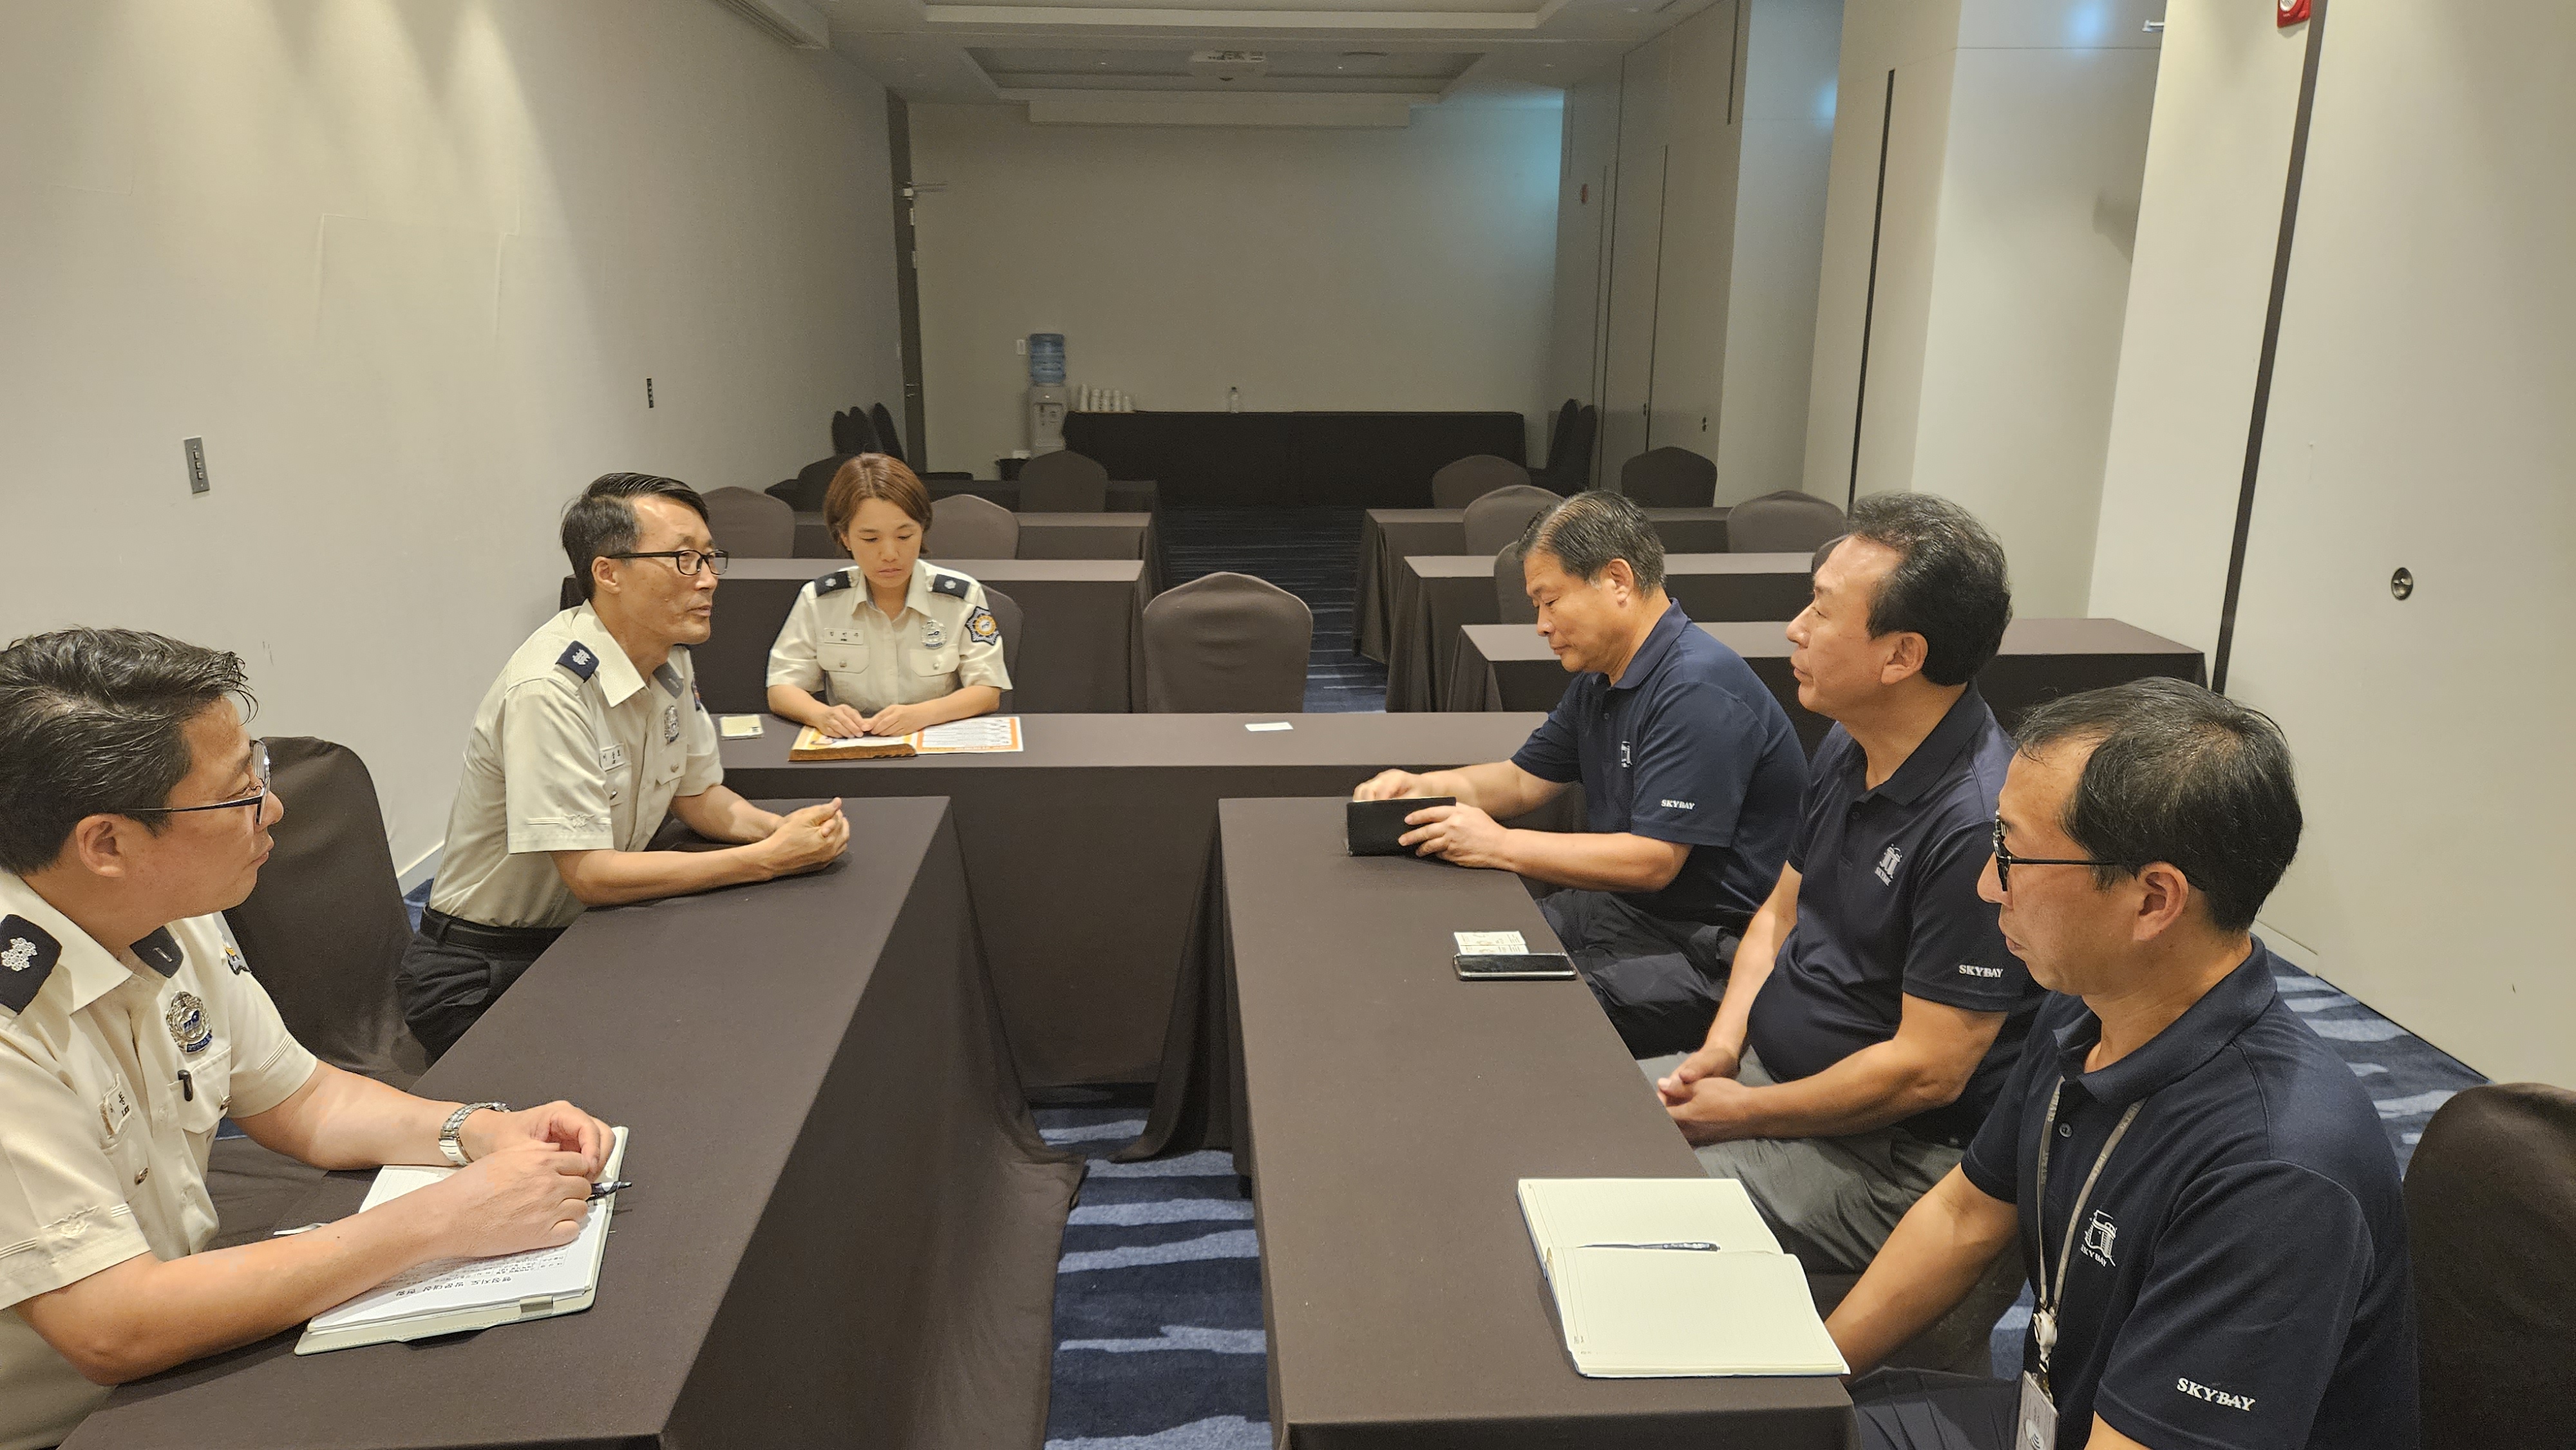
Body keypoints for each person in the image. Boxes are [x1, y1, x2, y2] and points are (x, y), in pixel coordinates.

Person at [0, 628, 620, 1450]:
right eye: (238, 794)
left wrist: (474, 1129)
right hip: (71, 1418)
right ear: (107, 843)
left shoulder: (161, 907)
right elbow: (112, 1326)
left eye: (258, 771)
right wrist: (443, 1220)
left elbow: (304, 1098)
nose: (274, 808)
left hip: (182, 1341)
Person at [1828, 679, 2418, 1450]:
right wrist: (1805, 1377)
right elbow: (1964, 1215)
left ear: (2152, 900)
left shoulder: (2277, 1173)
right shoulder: (2086, 1004)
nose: (1986, 884)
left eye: (2011, 853)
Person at [1647, 494, 2040, 1272]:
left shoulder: (1975, 824)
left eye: (1822, 611)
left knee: (1614, 1192)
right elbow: (1778, 914)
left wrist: (1745, 1111)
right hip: (1769, 1081)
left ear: (1901, 656)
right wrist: (1720, 1048)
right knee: (1571, 1114)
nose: (1795, 628)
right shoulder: (1850, 739)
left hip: (1889, 1156)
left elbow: (1928, 1071)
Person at [398, 473, 849, 1060]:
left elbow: (696, 795)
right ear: (608, 573)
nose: (709, 579)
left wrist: (780, 831)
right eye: (684, 559)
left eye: (710, 558)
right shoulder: (550, 689)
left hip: (590, 934)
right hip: (488, 971)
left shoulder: (667, 655)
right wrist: (764, 861)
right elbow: (592, 874)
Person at [1353, 491, 1808, 1056]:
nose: (1541, 625)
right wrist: (1424, 787)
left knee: (1500, 1008)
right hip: (1623, 910)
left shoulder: (1697, 689)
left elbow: (1654, 861)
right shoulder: (1603, 678)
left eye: (1550, 601)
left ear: (1617, 580)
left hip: (1708, 948)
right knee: (1452, 947)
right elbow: (1522, 781)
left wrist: (1498, 844)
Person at [765, 455, 1010, 739]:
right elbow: (782, 687)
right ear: (844, 537)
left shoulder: (961, 597)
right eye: (871, 539)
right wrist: (820, 714)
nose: (890, 554)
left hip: (935, 743)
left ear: (922, 529)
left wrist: (923, 714)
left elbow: (987, 691)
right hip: (854, 745)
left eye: (904, 536)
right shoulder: (819, 600)